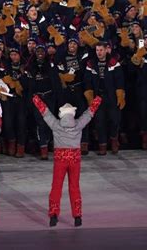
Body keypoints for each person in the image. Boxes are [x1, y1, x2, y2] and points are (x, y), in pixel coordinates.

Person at [32, 94, 102, 227]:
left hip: (60, 159)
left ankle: (53, 215)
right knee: (74, 187)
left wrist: (36, 99)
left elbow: (45, 112)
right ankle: (77, 217)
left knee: (56, 187)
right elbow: (89, 113)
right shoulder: (78, 124)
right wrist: (97, 99)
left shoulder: (56, 125)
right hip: (75, 159)